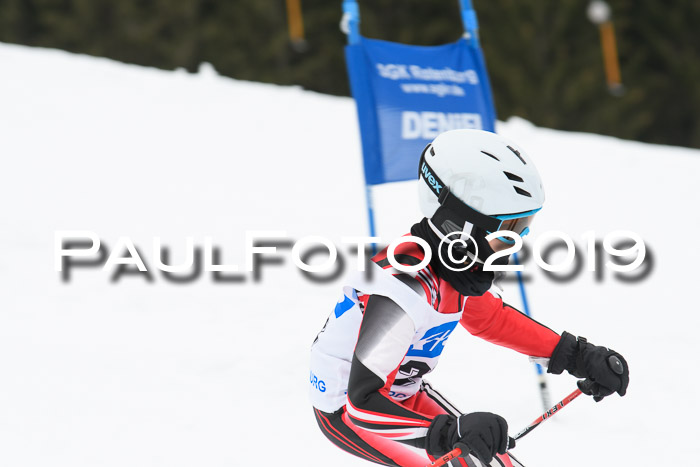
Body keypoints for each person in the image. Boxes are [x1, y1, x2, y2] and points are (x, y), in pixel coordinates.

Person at [309, 129, 629, 467]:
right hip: (350, 409)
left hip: (399, 394)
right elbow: (362, 404)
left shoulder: (448, 267)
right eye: (508, 233)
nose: (514, 246)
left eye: (523, 230)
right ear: (459, 227)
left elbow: (490, 318)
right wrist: (449, 433)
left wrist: (576, 355)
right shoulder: (405, 287)